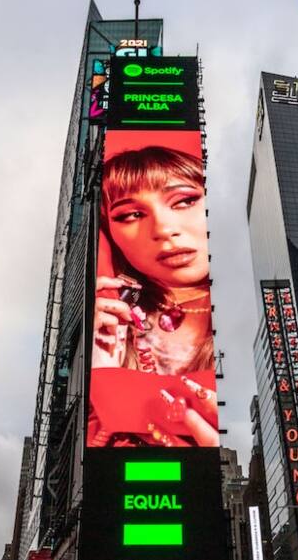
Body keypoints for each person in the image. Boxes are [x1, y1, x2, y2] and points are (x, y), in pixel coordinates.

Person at [91, 145, 218, 447]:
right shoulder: (112, 320)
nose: (163, 229)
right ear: (110, 234)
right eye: (132, 214)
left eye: (185, 200)